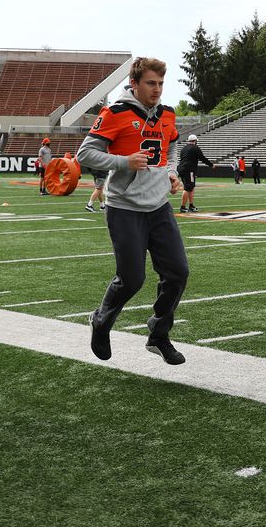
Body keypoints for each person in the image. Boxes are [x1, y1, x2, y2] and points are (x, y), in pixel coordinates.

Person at [79, 57, 187, 365]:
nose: (157, 90)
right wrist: (123, 161)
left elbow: (172, 145)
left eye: (161, 84)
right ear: (135, 83)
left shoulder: (167, 113)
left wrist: (171, 170)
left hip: (158, 205)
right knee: (131, 278)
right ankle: (101, 320)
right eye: (151, 83)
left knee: (178, 272)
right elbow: (86, 152)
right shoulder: (115, 112)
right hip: (125, 207)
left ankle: (158, 334)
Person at [177, 134, 214, 213]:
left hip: (182, 169)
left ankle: (191, 205)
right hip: (189, 170)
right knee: (188, 188)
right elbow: (202, 158)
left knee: (191, 187)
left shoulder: (184, 148)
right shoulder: (195, 148)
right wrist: (211, 165)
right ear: (195, 141)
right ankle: (183, 207)